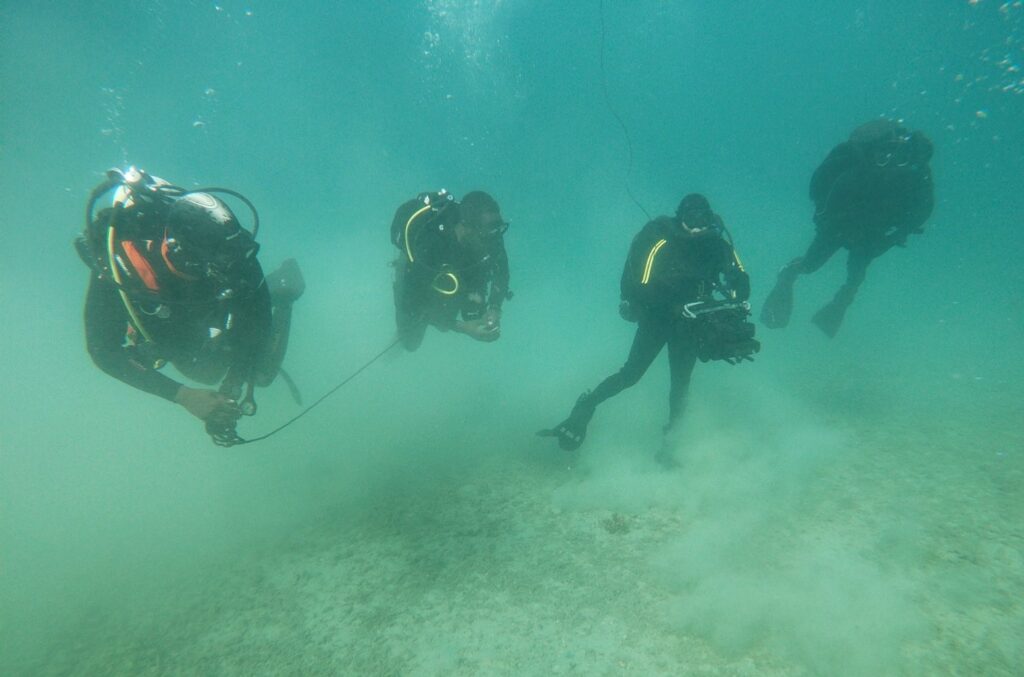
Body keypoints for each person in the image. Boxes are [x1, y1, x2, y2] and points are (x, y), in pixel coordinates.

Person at [77, 167, 304, 446]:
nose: (229, 269)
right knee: (202, 371)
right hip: (165, 313)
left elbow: (255, 312)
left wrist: (232, 385)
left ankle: (284, 293)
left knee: (261, 373)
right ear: (180, 253)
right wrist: (184, 396)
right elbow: (104, 352)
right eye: (218, 266)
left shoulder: (229, 247)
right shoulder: (118, 264)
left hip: (197, 304)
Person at [538, 194, 757, 455]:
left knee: (681, 383)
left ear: (710, 218)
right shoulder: (662, 241)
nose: (697, 226)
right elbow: (640, 288)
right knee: (631, 374)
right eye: (691, 218)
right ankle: (587, 405)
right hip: (658, 318)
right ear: (680, 218)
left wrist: (736, 287)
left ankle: (670, 444)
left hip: (692, 321)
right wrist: (672, 307)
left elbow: (741, 282)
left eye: (703, 219)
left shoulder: (719, 245)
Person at [760, 118, 935, 337]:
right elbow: (830, 200)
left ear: (910, 159)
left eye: (900, 159)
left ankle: (835, 309)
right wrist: (837, 226)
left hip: (874, 233)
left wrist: (894, 235)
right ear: (872, 154)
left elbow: (922, 211)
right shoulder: (856, 172)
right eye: (883, 157)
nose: (891, 165)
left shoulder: (915, 177)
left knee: (856, 277)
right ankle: (787, 276)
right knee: (810, 265)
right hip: (839, 228)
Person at [389, 189, 511, 351]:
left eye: (498, 230)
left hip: (456, 273)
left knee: (473, 312)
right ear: (467, 228)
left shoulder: (491, 234)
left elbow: (501, 271)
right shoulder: (431, 244)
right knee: (410, 342)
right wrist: (462, 328)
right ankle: (396, 343)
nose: (495, 241)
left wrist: (495, 308)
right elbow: (411, 304)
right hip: (420, 274)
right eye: (487, 234)